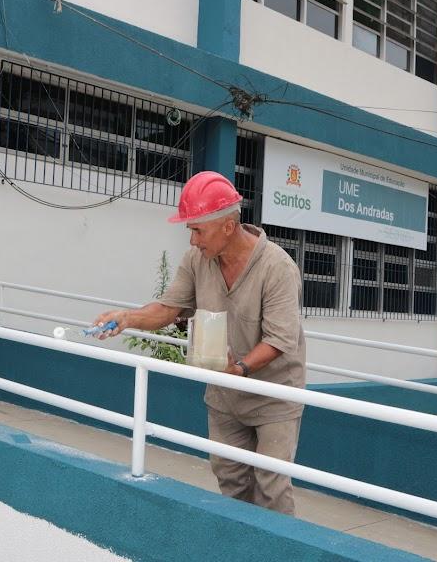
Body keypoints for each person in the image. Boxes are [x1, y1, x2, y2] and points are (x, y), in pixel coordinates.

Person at [93, 171, 306, 516]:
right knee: (232, 481)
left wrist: (237, 369)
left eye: (197, 230)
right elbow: (169, 308)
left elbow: (280, 340)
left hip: (274, 396)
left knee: (271, 486)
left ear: (226, 226)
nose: (192, 240)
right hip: (224, 394)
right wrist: (128, 318)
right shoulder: (197, 260)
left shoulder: (278, 267)